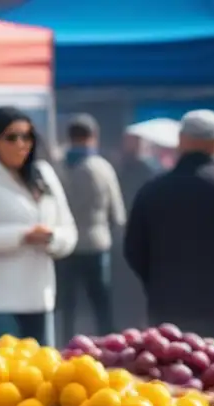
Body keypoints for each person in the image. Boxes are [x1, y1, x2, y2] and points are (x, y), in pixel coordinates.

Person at [124, 110, 214, 337]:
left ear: (181, 141)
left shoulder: (152, 190)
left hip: (166, 303)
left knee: (167, 367)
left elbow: (133, 249)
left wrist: (157, 282)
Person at [0, 106, 77, 346]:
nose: (22, 143)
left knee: (43, 378)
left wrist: (51, 238)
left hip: (40, 296)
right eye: (12, 137)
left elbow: (69, 230)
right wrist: (24, 235)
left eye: (27, 136)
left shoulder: (44, 174)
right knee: (5, 379)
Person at [56, 114, 125, 343]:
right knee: (101, 302)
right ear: (93, 137)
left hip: (63, 245)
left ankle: (64, 344)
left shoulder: (55, 168)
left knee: (66, 304)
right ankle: (109, 345)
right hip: (95, 243)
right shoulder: (102, 168)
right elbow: (117, 213)